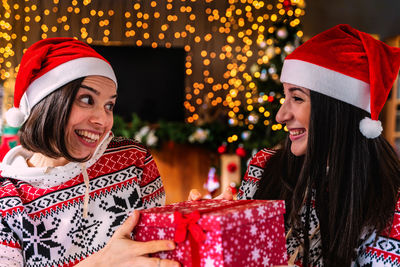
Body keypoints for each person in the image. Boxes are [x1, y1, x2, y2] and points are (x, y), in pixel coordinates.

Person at [0, 38, 179, 266]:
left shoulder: (133, 159)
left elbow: (163, 250)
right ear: (47, 103)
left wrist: (203, 218)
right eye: (87, 99)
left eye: (109, 105)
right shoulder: (7, 200)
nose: (103, 120)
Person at [236, 24, 400, 266]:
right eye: (285, 96)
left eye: (297, 98)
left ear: (337, 111)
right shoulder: (263, 168)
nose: (280, 115)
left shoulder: (391, 200)